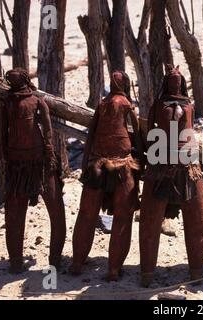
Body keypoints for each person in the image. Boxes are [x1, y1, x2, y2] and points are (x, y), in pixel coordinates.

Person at [70, 71, 143, 281]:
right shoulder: (124, 104)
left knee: (87, 214)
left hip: (99, 164)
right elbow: (136, 133)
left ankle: (78, 263)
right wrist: (141, 161)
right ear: (125, 85)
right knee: (122, 216)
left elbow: (91, 133)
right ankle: (112, 268)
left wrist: (85, 163)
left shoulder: (103, 104)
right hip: (120, 165)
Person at [139, 65, 203, 287]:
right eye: (171, 80)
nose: (175, 83)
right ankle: (147, 273)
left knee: (199, 221)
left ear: (183, 83)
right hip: (160, 165)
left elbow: (192, 131)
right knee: (150, 221)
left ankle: (197, 271)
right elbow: (150, 132)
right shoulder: (158, 105)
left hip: (188, 165)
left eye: (178, 80)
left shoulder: (189, 105)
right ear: (166, 82)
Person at [2, 68, 66, 273]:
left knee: (56, 209)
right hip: (17, 163)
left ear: (24, 79)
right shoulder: (8, 102)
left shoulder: (37, 101)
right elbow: (3, 130)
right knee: (14, 213)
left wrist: (49, 151)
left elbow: (47, 129)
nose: (11, 79)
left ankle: (55, 260)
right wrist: (6, 154)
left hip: (41, 162)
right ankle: (15, 262)